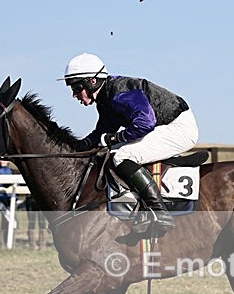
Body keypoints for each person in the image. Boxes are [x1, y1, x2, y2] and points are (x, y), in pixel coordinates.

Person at [61, 52, 198, 237]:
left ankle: (159, 212)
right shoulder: (105, 99)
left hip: (178, 128)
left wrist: (113, 139)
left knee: (122, 155)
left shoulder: (119, 93)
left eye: (77, 88)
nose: (74, 94)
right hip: (163, 127)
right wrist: (74, 148)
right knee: (114, 152)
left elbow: (145, 123)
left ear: (92, 81)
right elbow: (99, 134)